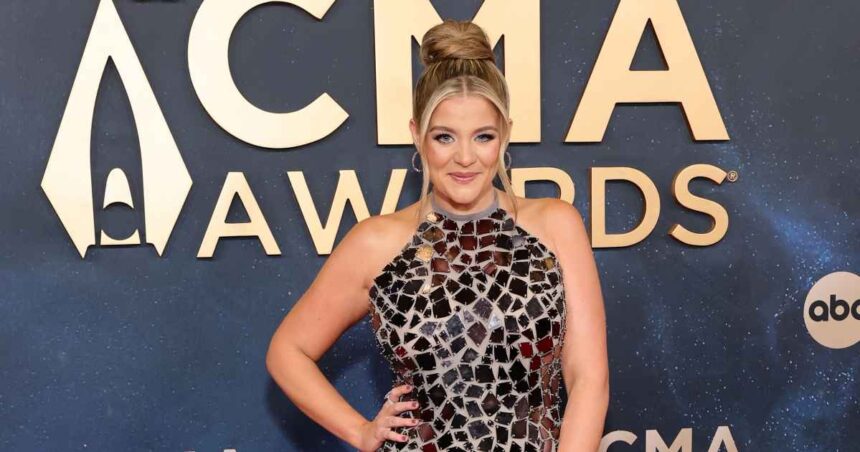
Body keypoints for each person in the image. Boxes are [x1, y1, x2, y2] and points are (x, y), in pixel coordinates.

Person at [266, 19, 608, 452]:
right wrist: (359, 431)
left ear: (504, 135)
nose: (464, 157)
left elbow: (589, 380)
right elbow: (288, 350)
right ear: (417, 135)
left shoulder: (555, 225)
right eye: (445, 137)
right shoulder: (377, 243)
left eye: (483, 136)